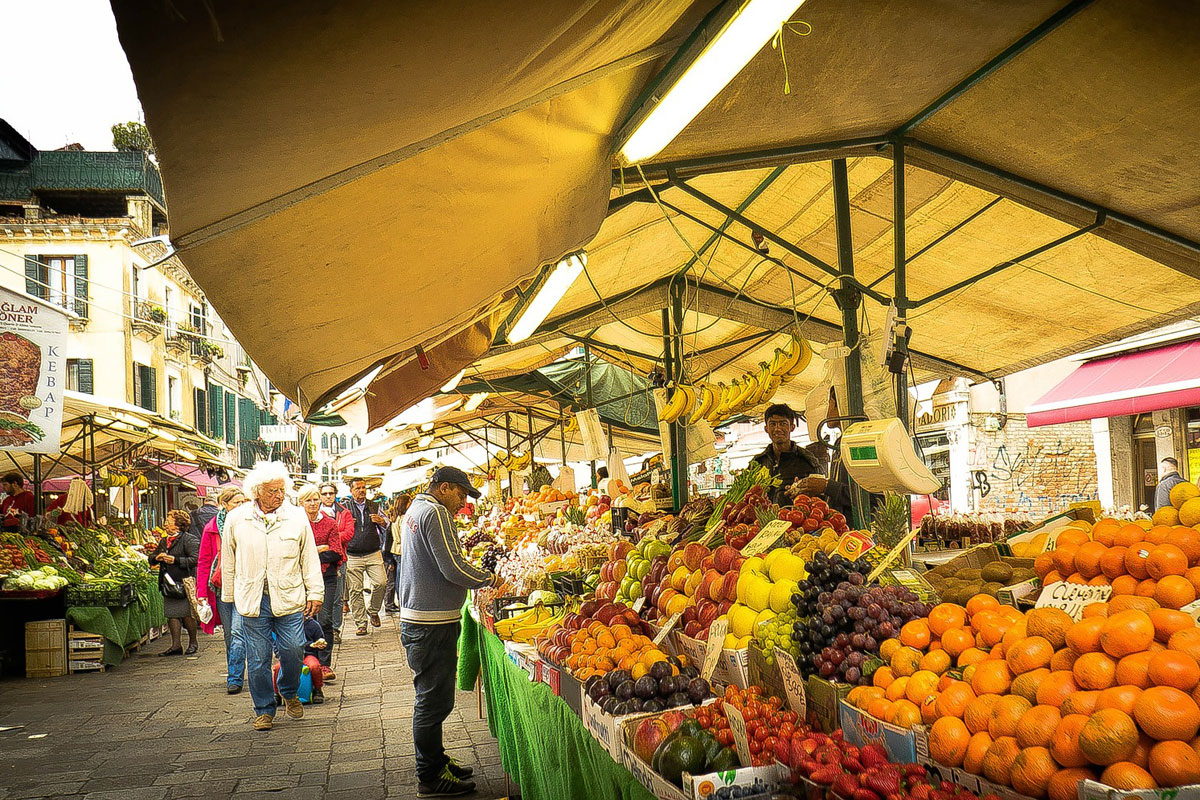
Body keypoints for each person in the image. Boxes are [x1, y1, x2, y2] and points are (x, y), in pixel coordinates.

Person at [399, 467, 500, 797]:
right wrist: (490, 578)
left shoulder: (416, 508)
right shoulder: (436, 513)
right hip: (430, 623)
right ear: (444, 488)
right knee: (433, 701)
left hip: (420, 618)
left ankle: (436, 760)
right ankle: (429, 776)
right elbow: (453, 567)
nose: (463, 502)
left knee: (432, 697)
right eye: (461, 494)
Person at [221, 461, 324, 732]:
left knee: (294, 649)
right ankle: (264, 709)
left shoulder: (297, 516)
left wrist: (315, 592)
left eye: (281, 490)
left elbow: (309, 557)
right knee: (257, 659)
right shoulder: (236, 519)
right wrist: (229, 596)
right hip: (253, 598)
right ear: (257, 491)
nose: (279, 495)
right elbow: (228, 559)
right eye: (272, 491)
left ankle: (288, 690)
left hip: (289, 595)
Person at [753, 403, 851, 515]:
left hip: (795, 520)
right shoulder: (758, 463)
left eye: (783, 424)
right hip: (762, 523)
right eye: (773, 424)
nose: (777, 429)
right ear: (766, 428)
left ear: (792, 427)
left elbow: (821, 499)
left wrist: (802, 493)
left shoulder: (808, 461)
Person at [196, 487, 249, 693]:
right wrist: (201, 592)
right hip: (222, 588)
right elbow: (204, 561)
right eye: (236, 502)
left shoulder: (251, 524)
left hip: (245, 586)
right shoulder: (211, 528)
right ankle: (234, 670)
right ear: (224, 505)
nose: (241, 506)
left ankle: (234, 677)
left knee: (237, 632)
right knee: (229, 634)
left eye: (243, 502)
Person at [297, 484, 343, 680]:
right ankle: (306, 660)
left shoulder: (329, 523)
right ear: (301, 503)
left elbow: (336, 552)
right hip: (301, 578)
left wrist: (311, 553)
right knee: (304, 619)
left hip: (327, 577)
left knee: (324, 619)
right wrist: (319, 549)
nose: (313, 503)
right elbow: (295, 552)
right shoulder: (296, 524)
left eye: (315, 499)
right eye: (308, 500)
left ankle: (324, 664)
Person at [339, 477, 389, 636]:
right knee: (355, 590)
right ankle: (361, 623)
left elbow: (387, 523)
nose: (361, 490)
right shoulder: (345, 508)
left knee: (381, 582)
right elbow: (338, 527)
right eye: (358, 488)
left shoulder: (374, 506)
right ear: (351, 490)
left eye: (363, 488)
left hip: (373, 552)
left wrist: (381, 521)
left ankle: (373, 610)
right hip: (352, 554)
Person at [149, 509, 200, 656]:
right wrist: (156, 558)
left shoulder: (189, 539)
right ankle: (175, 645)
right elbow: (152, 557)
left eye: (169, 521)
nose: (166, 523)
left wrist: (176, 560)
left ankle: (193, 642)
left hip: (183, 582)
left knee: (186, 614)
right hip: (168, 583)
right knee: (172, 614)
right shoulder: (164, 541)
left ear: (178, 524)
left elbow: (196, 559)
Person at [318, 482, 350, 640]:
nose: (328, 496)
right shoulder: (313, 512)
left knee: (337, 597)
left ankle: (335, 628)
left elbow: (349, 533)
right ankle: (319, 630)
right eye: (324, 494)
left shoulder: (343, 512)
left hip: (338, 559)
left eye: (331, 493)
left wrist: (331, 539)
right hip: (317, 561)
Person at [387, 494, 413, 611]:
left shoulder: (395, 518)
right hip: (402, 550)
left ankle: (401, 600)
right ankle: (402, 601)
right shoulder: (403, 519)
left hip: (396, 550)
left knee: (399, 577)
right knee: (402, 578)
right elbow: (405, 536)